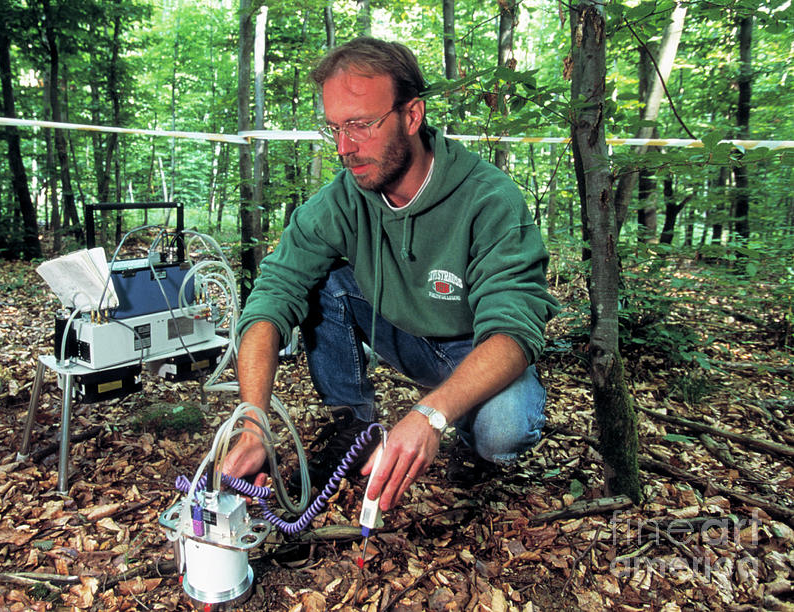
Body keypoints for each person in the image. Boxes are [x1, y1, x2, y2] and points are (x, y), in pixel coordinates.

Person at [222, 37, 559, 512]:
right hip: (402, 335)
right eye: (335, 128)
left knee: (503, 432)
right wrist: (254, 421)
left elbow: (514, 333)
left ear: (412, 115)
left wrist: (430, 415)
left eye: (360, 125)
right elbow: (271, 296)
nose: (344, 147)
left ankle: (461, 424)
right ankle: (355, 431)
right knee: (323, 284)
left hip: (476, 347)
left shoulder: (488, 199)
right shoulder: (342, 200)